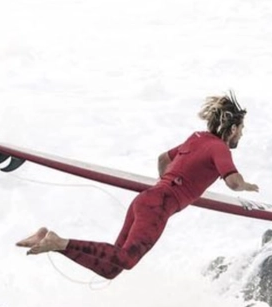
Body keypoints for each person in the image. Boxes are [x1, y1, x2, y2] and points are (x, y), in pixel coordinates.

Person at [16, 92, 258, 279]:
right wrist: (247, 186)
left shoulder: (196, 138)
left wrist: (164, 185)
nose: (242, 135)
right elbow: (233, 183)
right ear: (233, 128)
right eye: (242, 129)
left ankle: (47, 240)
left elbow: (163, 159)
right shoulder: (219, 147)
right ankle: (58, 241)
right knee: (126, 260)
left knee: (112, 269)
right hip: (158, 205)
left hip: (147, 198)